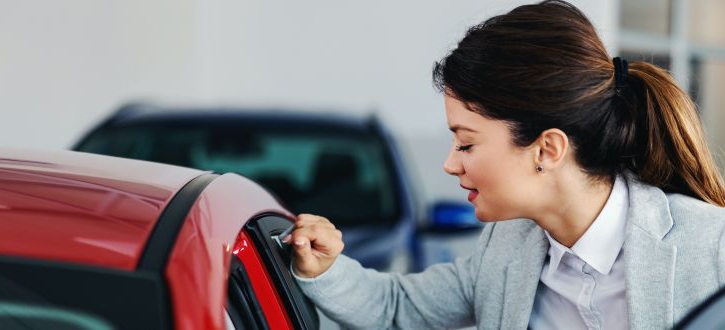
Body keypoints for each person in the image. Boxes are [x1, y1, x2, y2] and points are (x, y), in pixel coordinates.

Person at [282, 1, 725, 329]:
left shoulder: (712, 249)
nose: (450, 165)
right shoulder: (507, 246)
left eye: (466, 144)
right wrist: (324, 268)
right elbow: (398, 308)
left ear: (547, 150)